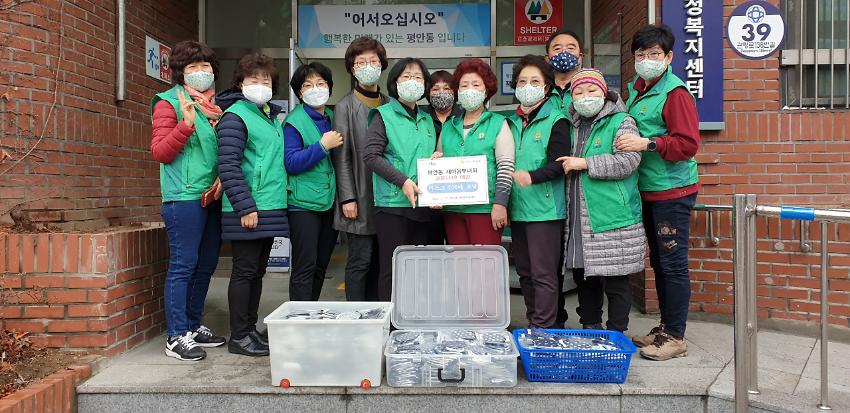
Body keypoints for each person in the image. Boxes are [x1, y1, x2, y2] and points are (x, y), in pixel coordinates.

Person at [616, 24, 701, 360]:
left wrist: (646, 143)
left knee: (673, 264)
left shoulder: (675, 93)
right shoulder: (638, 89)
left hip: (672, 191)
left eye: (654, 54)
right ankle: (665, 328)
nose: (647, 60)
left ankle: (676, 335)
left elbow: (688, 144)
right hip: (648, 189)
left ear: (668, 57)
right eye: (640, 54)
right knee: (660, 262)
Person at [150, 40, 226, 361]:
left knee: (206, 264)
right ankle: (176, 335)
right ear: (180, 72)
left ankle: (193, 326)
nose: (199, 72)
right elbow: (161, 152)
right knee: (183, 266)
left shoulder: (216, 108)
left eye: (205, 66)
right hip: (183, 197)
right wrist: (185, 124)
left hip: (212, 195)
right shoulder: (168, 103)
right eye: (192, 67)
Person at [558, 68, 645, 333]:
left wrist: (585, 163)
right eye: (579, 92)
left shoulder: (621, 121)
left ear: (604, 92)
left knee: (616, 280)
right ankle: (591, 329)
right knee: (584, 277)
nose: (586, 97)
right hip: (577, 217)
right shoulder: (569, 125)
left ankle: (617, 333)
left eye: (592, 90)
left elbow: (628, 161)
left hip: (611, 216)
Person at [216, 53, 289, 357]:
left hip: (268, 206)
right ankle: (239, 336)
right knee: (245, 272)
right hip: (248, 209)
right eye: (253, 80)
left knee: (257, 272)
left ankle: (249, 330)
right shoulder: (236, 116)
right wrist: (245, 207)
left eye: (266, 80)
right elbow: (229, 165)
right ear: (240, 83)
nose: (260, 85)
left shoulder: (267, 116)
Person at [363, 58, 437, 301]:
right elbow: (371, 156)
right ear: (395, 83)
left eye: (418, 77)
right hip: (393, 206)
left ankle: (413, 321)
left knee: (418, 269)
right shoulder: (382, 115)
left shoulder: (427, 119)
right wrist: (403, 181)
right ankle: (391, 326)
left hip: (422, 205)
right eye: (406, 77)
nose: (412, 82)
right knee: (392, 269)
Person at [505, 55, 570, 329]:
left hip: (545, 210)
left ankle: (544, 329)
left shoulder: (557, 119)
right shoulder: (508, 122)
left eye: (534, 81)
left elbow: (559, 163)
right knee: (526, 273)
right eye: (522, 81)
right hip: (518, 208)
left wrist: (531, 177)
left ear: (546, 88)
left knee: (544, 273)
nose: (527, 86)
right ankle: (535, 320)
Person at [432, 59, 514, 245]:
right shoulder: (449, 127)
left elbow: (506, 167)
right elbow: (439, 163)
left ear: (486, 90)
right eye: (464, 85)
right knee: (460, 266)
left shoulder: (498, 123)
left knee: (484, 266)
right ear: (458, 91)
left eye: (476, 84)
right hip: (453, 211)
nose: (470, 89)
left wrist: (500, 204)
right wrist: (435, 166)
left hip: (486, 210)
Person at [332, 37, 389, 302]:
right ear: (353, 69)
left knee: (382, 263)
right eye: (361, 62)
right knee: (360, 262)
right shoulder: (344, 106)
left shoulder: (390, 104)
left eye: (373, 61)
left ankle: (379, 315)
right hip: (360, 195)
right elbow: (341, 156)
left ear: (382, 65)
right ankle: (356, 316)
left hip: (387, 196)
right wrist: (348, 197)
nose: (368, 66)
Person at [284, 62, 340, 302]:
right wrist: (321, 147)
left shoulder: (331, 117)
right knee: (305, 266)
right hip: (302, 205)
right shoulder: (293, 122)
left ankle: (311, 314)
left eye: (321, 83)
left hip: (328, 201)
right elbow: (291, 162)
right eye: (308, 85)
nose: (315, 89)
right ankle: (298, 320)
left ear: (329, 87)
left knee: (320, 265)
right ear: (299, 93)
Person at [545, 29, 584, 113]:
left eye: (570, 48)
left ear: (580, 57)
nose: (564, 52)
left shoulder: (593, 88)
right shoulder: (539, 89)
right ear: (547, 59)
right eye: (557, 48)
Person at [424, 70, 462, 137]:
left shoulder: (464, 117)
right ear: (428, 93)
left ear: (454, 92)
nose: (441, 92)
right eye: (435, 89)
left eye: (446, 88)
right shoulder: (422, 119)